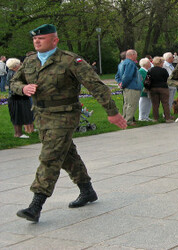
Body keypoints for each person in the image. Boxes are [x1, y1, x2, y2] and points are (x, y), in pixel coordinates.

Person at [10, 24, 127, 223]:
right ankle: (87, 190)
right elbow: (14, 82)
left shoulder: (71, 61)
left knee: (50, 156)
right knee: (66, 155)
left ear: (54, 40)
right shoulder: (29, 61)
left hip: (64, 115)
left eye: (42, 38)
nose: (37, 41)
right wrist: (23, 88)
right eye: (35, 39)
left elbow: (96, 86)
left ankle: (36, 205)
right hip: (41, 114)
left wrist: (112, 112)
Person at [6, 58, 34, 138]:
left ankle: (20, 133)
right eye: (19, 64)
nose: (21, 65)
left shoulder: (12, 73)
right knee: (17, 116)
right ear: (15, 66)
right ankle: (18, 133)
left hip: (18, 97)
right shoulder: (13, 74)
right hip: (16, 98)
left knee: (20, 115)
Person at [116, 49, 142, 125]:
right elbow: (127, 76)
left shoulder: (121, 64)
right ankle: (128, 121)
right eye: (136, 55)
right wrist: (123, 84)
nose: (137, 56)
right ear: (132, 55)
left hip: (126, 87)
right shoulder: (130, 64)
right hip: (132, 87)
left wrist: (120, 83)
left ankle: (124, 119)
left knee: (126, 104)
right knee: (131, 104)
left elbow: (117, 76)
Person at [148, 57, 173, 122]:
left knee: (155, 104)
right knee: (165, 103)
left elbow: (148, 79)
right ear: (160, 63)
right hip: (163, 88)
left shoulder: (150, 70)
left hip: (153, 88)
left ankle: (155, 118)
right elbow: (167, 79)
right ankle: (167, 118)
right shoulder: (163, 70)